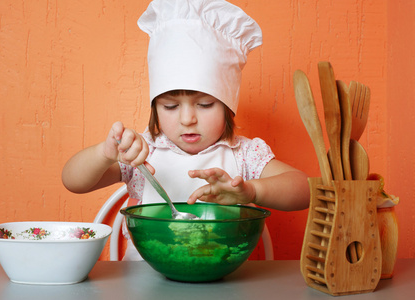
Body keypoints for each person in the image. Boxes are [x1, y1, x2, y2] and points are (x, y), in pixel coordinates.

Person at [62, 0, 310, 260]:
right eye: (170, 106)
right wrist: (105, 153)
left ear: (227, 106)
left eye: (204, 104)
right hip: (141, 283)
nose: (188, 118)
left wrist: (252, 191)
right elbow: (73, 181)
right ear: (155, 108)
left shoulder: (244, 155)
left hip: (223, 283)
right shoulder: (139, 154)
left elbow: (306, 189)